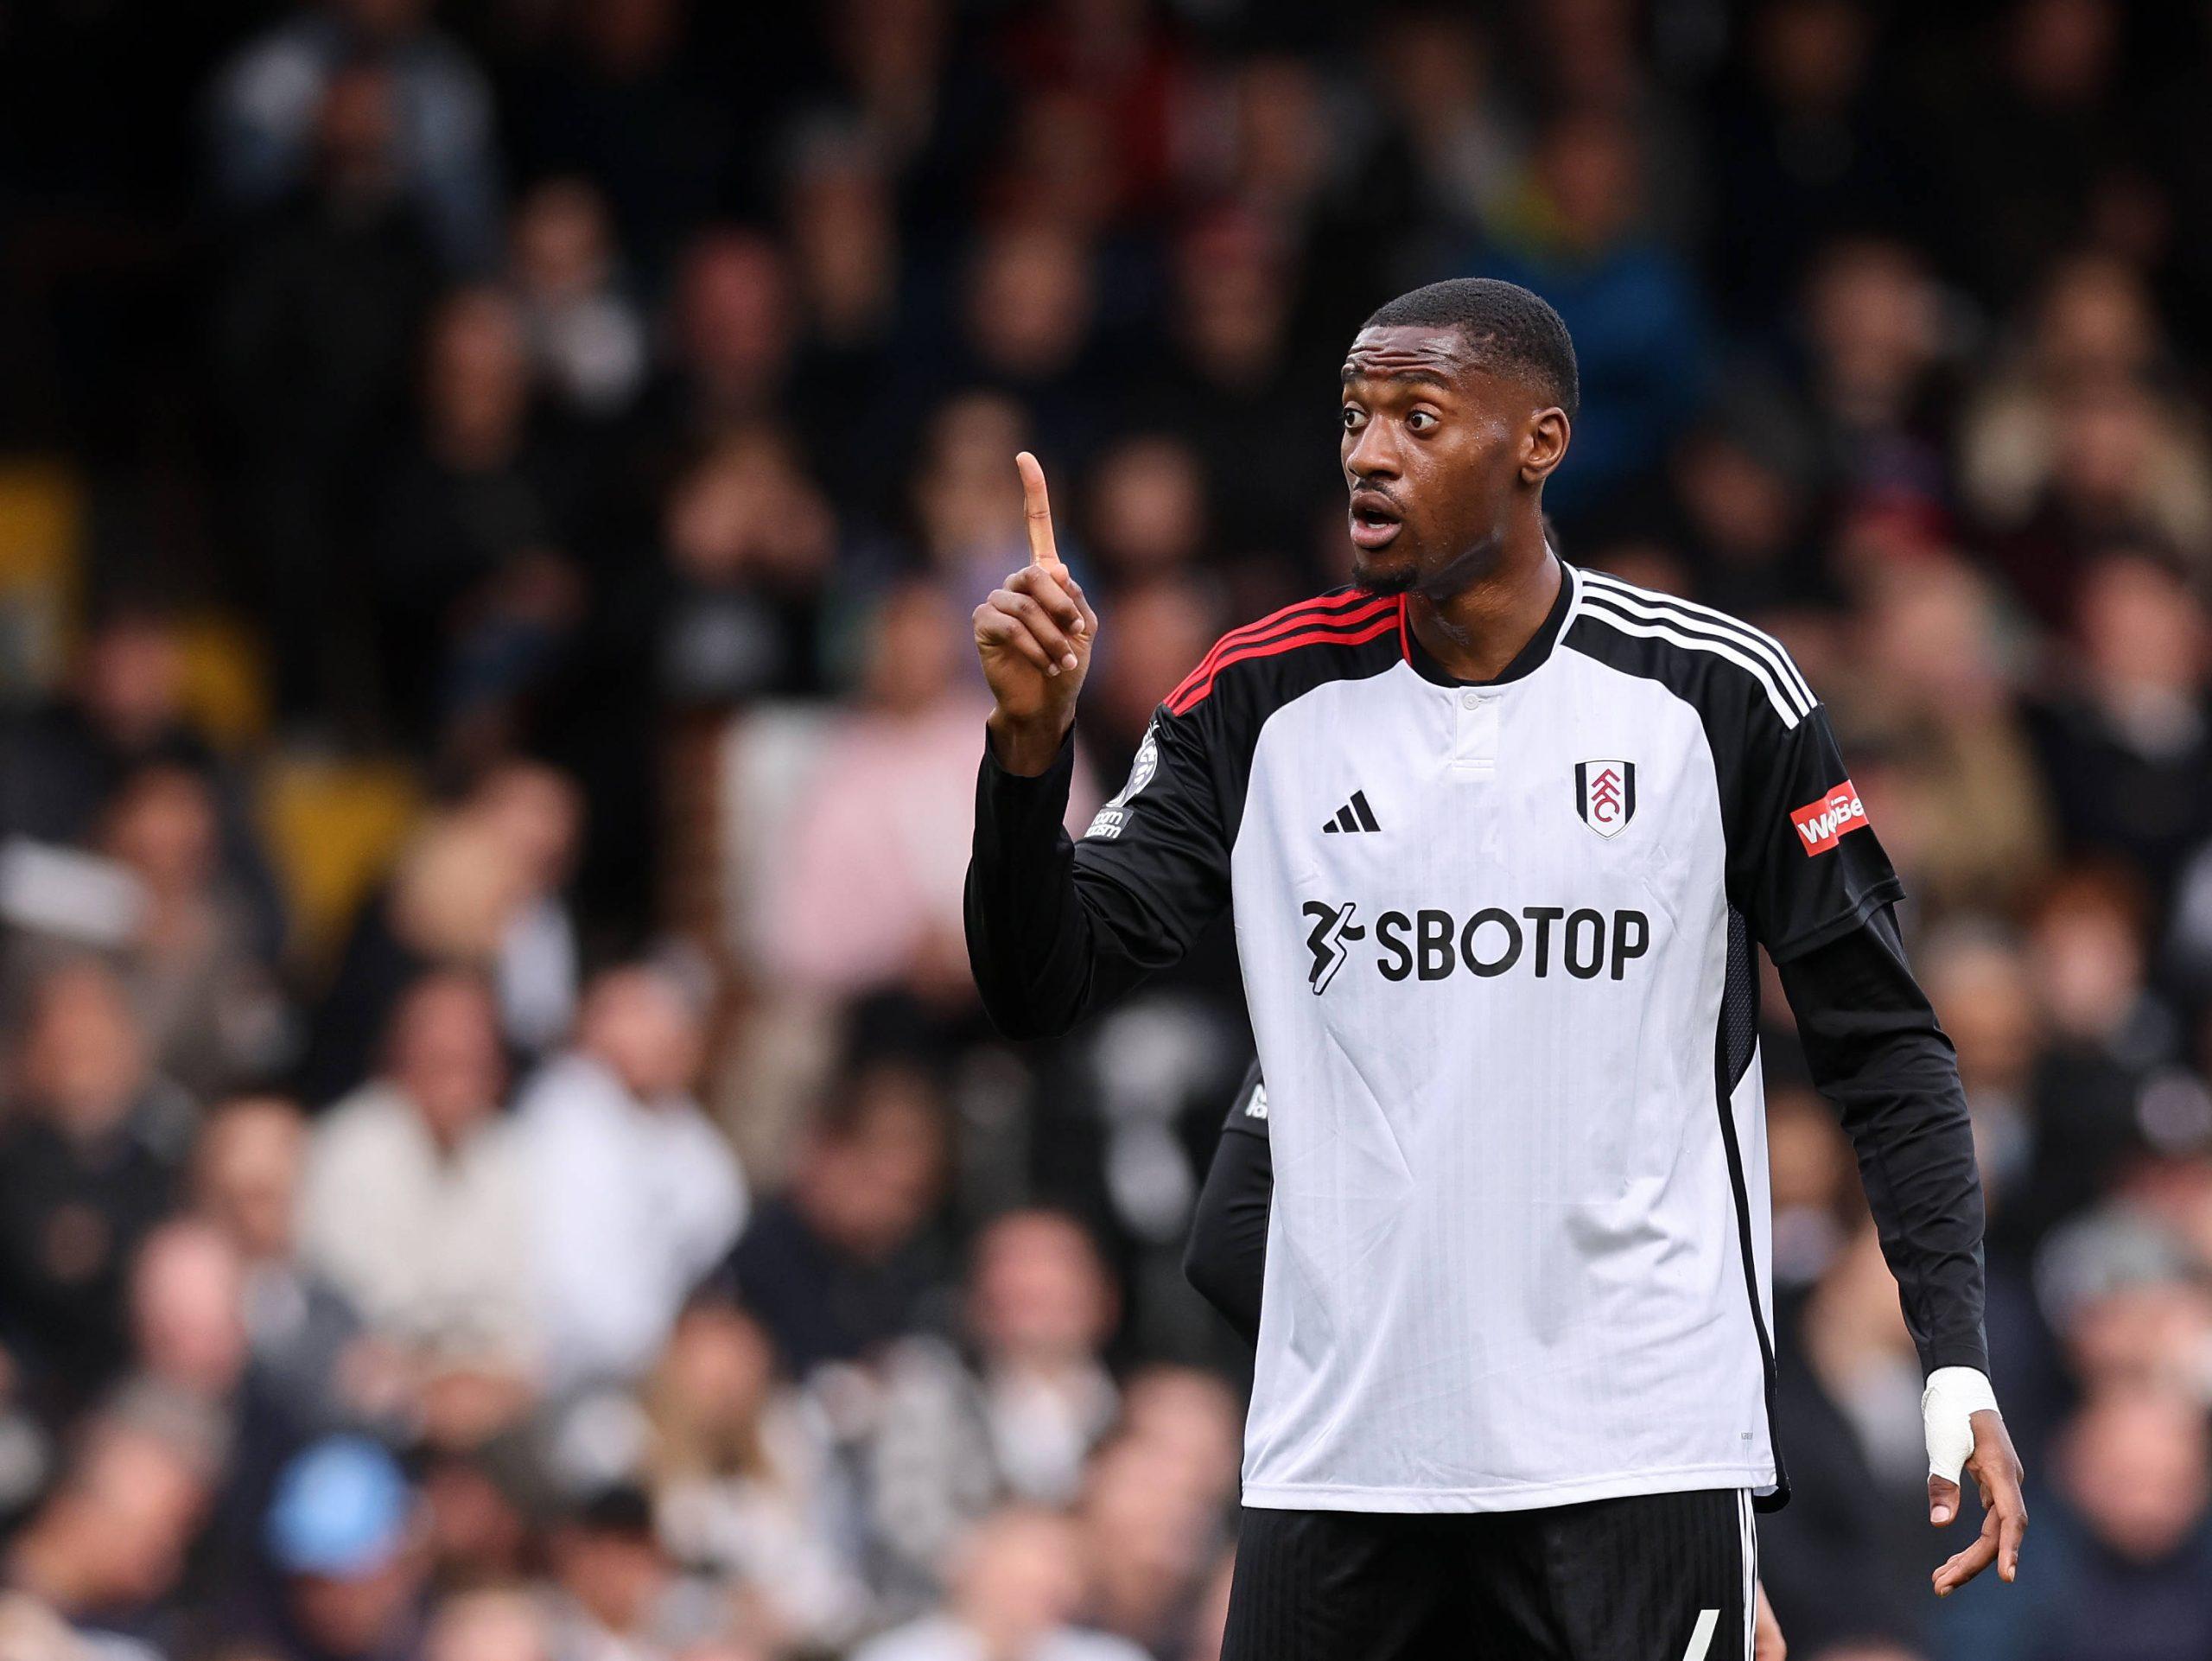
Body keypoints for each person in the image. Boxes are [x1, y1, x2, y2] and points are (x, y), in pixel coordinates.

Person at [964, 277, 2024, 1658]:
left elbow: (1885, 1041)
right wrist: (1026, 759)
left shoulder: (1713, 695)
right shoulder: (1255, 696)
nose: (1367, 452)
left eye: (1416, 415)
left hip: (1638, 1460)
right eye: (1353, 418)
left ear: (1540, 442)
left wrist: (1953, 1352)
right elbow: (1037, 983)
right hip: (1340, 1472)